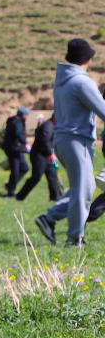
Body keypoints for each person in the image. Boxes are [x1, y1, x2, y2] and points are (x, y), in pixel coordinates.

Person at [35, 38, 105, 247]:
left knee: (83, 187)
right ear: (88, 58)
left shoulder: (63, 80)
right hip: (78, 141)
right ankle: (75, 238)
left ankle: (49, 218)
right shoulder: (82, 82)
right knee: (83, 189)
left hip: (63, 139)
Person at [15, 112, 61, 202]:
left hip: (52, 157)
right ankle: (20, 196)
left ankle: (55, 198)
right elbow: (44, 140)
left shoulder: (56, 126)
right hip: (40, 156)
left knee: (54, 175)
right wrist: (50, 153)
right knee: (36, 177)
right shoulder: (47, 126)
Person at [1, 107, 31, 197]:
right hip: (13, 149)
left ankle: (9, 186)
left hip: (16, 148)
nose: (28, 116)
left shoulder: (15, 120)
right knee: (15, 170)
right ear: (23, 114)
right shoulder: (17, 122)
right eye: (27, 114)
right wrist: (26, 143)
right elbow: (18, 133)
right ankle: (11, 191)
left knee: (24, 168)